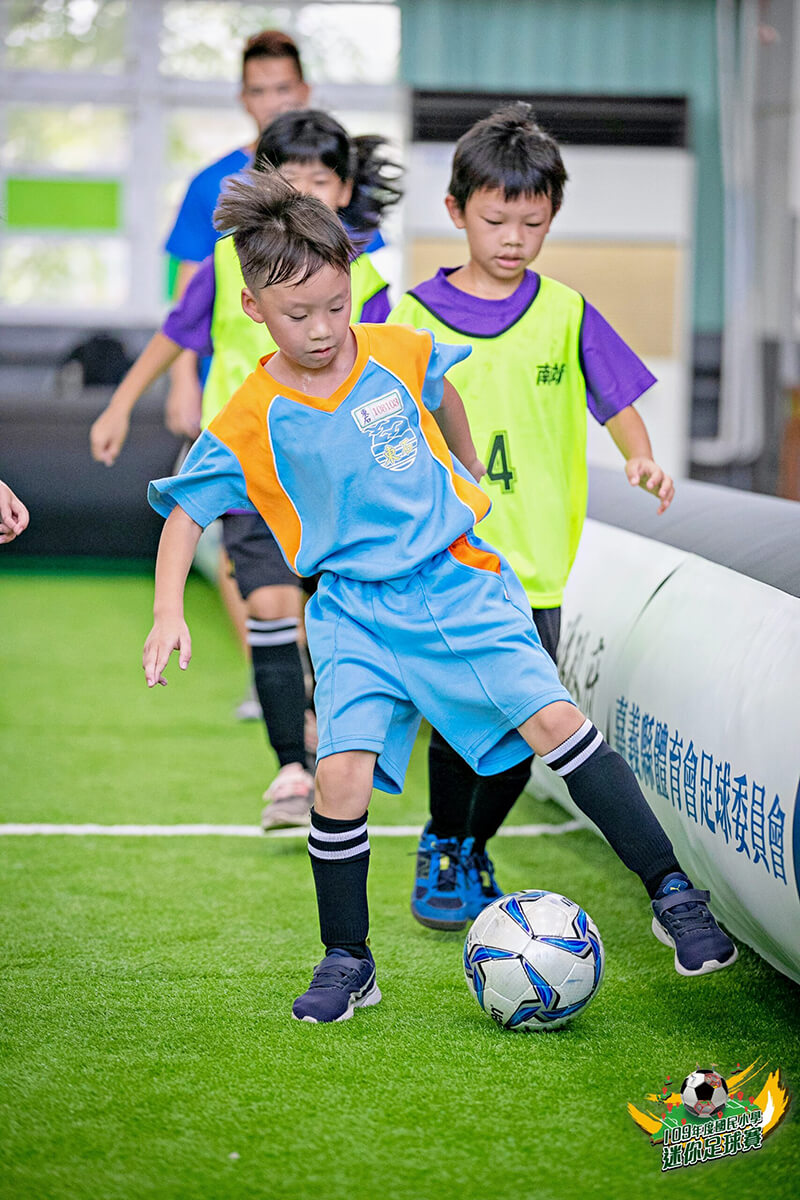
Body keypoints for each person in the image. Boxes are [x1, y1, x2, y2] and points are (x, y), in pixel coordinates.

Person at [142, 170, 736, 1024]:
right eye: (298, 314)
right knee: (338, 777)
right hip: (352, 613)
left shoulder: (396, 348)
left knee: (556, 724)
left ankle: (673, 894)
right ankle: (348, 959)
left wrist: (462, 466)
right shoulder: (248, 415)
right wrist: (168, 611)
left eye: (337, 305)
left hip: (457, 584)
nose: (323, 328)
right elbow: (186, 513)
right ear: (252, 308)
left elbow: (443, 389)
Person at [388, 102, 676, 931]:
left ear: (552, 218)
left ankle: (470, 842)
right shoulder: (409, 319)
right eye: (495, 220)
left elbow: (617, 400)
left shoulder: (566, 312)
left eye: (533, 222)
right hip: (449, 558)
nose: (514, 238)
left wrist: (641, 454)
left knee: (523, 730)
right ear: (455, 212)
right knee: (459, 721)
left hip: (539, 566)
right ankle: (445, 843)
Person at [90, 112, 402, 830]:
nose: (305, 194)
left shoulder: (367, 275)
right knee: (269, 608)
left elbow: (394, 372)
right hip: (249, 466)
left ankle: (330, 738)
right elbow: (176, 332)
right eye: (289, 180)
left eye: (319, 182)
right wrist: (121, 404)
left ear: (343, 188)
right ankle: (290, 766)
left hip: (335, 478)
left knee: (333, 616)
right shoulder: (228, 262)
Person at [164, 30, 310, 445]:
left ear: (304, 91)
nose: (273, 103)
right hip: (230, 387)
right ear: (244, 99)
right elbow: (187, 296)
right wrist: (182, 380)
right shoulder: (210, 184)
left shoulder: (335, 177)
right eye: (259, 91)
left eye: (283, 88)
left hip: (319, 383)